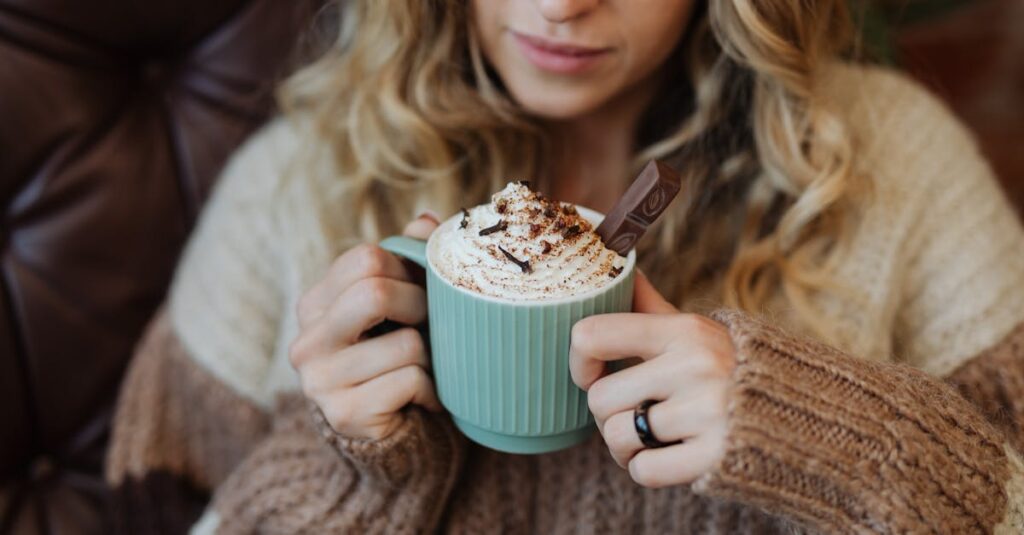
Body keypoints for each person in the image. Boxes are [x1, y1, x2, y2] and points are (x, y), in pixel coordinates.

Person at [106, 0, 1024, 533]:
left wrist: (821, 428)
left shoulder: (894, 164)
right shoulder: (293, 187)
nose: (561, 5)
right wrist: (354, 475)